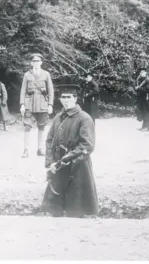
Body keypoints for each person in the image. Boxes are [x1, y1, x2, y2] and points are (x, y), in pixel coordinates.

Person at [42, 84, 98, 218]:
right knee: (54, 208)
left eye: (69, 97)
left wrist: (66, 159)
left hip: (77, 166)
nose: (65, 100)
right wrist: (50, 162)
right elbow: (49, 140)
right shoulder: (58, 117)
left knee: (77, 207)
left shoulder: (84, 118)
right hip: (57, 166)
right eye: (63, 97)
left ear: (75, 98)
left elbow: (87, 145)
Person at [19, 53, 54, 158]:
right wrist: (22, 104)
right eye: (34, 61)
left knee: (42, 126)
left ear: (41, 62)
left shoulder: (46, 74)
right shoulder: (27, 75)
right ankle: (26, 150)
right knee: (27, 127)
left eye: (38, 61)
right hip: (29, 103)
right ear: (31, 63)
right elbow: (22, 90)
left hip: (42, 103)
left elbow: (51, 90)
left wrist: (50, 104)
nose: (36, 63)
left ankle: (40, 148)